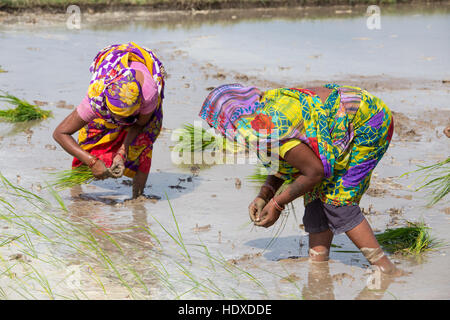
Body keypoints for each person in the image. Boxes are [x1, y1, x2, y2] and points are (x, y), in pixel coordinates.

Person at [199, 83, 401, 275]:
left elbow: (314, 172)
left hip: (368, 123)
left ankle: (385, 268)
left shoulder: (268, 125)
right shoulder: (257, 118)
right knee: (313, 196)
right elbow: (285, 160)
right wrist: (265, 195)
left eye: (218, 125)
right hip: (340, 117)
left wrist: (277, 203)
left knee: (338, 201)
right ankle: (318, 263)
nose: (220, 131)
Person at [53, 42, 165, 199]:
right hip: (112, 68)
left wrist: (122, 152)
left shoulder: (149, 95)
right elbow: (60, 133)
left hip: (145, 85)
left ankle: (138, 196)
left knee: (144, 140)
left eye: (127, 117)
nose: (122, 122)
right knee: (91, 134)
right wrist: (92, 161)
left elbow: (140, 124)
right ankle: (76, 185)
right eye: (118, 117)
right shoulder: (96, 98)